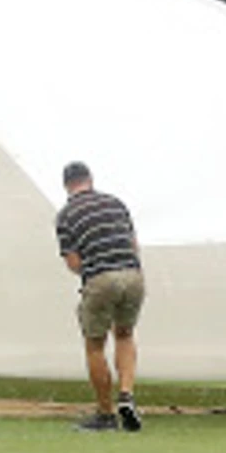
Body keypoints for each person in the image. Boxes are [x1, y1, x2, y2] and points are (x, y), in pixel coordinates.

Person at [54, 161, 144, 432]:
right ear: (90, 179)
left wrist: (92, 274)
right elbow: (133, 245)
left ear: (66, 185)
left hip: (101, 279)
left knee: (95, 345)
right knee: (124, 335)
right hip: (133, 275)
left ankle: (106, 414)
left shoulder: (66, 215)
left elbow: (73, 262)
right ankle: (126, 395)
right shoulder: (116, 203)